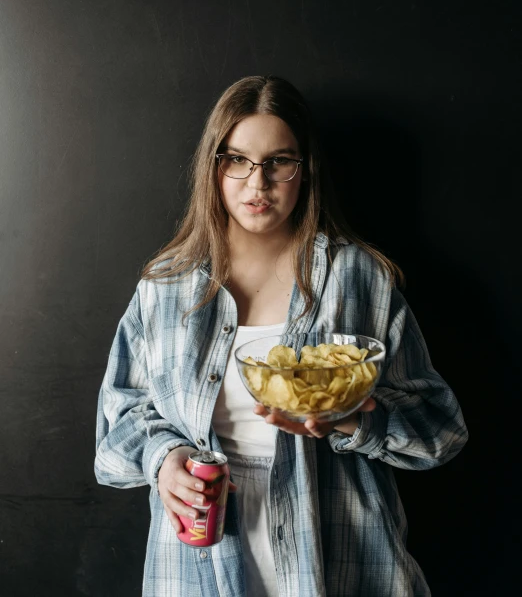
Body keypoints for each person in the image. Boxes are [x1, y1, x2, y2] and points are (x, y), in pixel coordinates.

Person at [95, 75, 468, 597]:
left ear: (305, 169)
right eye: (238, 160)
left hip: (346, 565)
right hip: (196, 568)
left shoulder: (356, 278)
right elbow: (116, 431)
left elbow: (441, 431)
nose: (257, 183)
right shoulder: (165, 288)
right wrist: (163, 460)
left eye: (279, 162)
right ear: (213, 166)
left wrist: (354, 418)